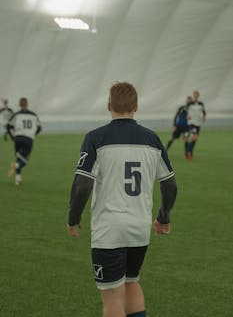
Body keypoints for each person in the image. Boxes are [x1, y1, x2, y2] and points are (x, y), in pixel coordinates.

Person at [66, 82, 177, 317]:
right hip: (139, 228)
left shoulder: (96, 138)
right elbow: (170, 184)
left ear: (109, 106)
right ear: (136, 106)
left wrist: (73, 217)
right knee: (132, 283)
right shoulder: (153, 140)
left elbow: (82, 184)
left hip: (109, 230)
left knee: (113, 297)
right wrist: (163, 217)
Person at [7, 97, 41, 186]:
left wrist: (12, 137)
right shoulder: (33, 115)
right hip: (28, 139)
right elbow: (39, 127)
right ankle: (16, 166)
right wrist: (33, 135)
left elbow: (8, 126)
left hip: (17, 138)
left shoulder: (16, 114)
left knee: (19, 158)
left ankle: (18, 179)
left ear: (19, 104)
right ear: (27, 104)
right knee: (25, 160)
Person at [186, 90, 206, 160]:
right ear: (193, 96)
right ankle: (189, 153)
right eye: (194, 95)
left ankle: (189, 152)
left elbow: (203, 111)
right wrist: (187, 116)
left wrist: (204, 117)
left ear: (198, 96)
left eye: (196, 95)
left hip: (198, 123)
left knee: (195, 139)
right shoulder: (190, 103)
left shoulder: (201, 104)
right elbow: (186, 111)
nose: (195, 96)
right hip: (191, 123)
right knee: (194, 137)